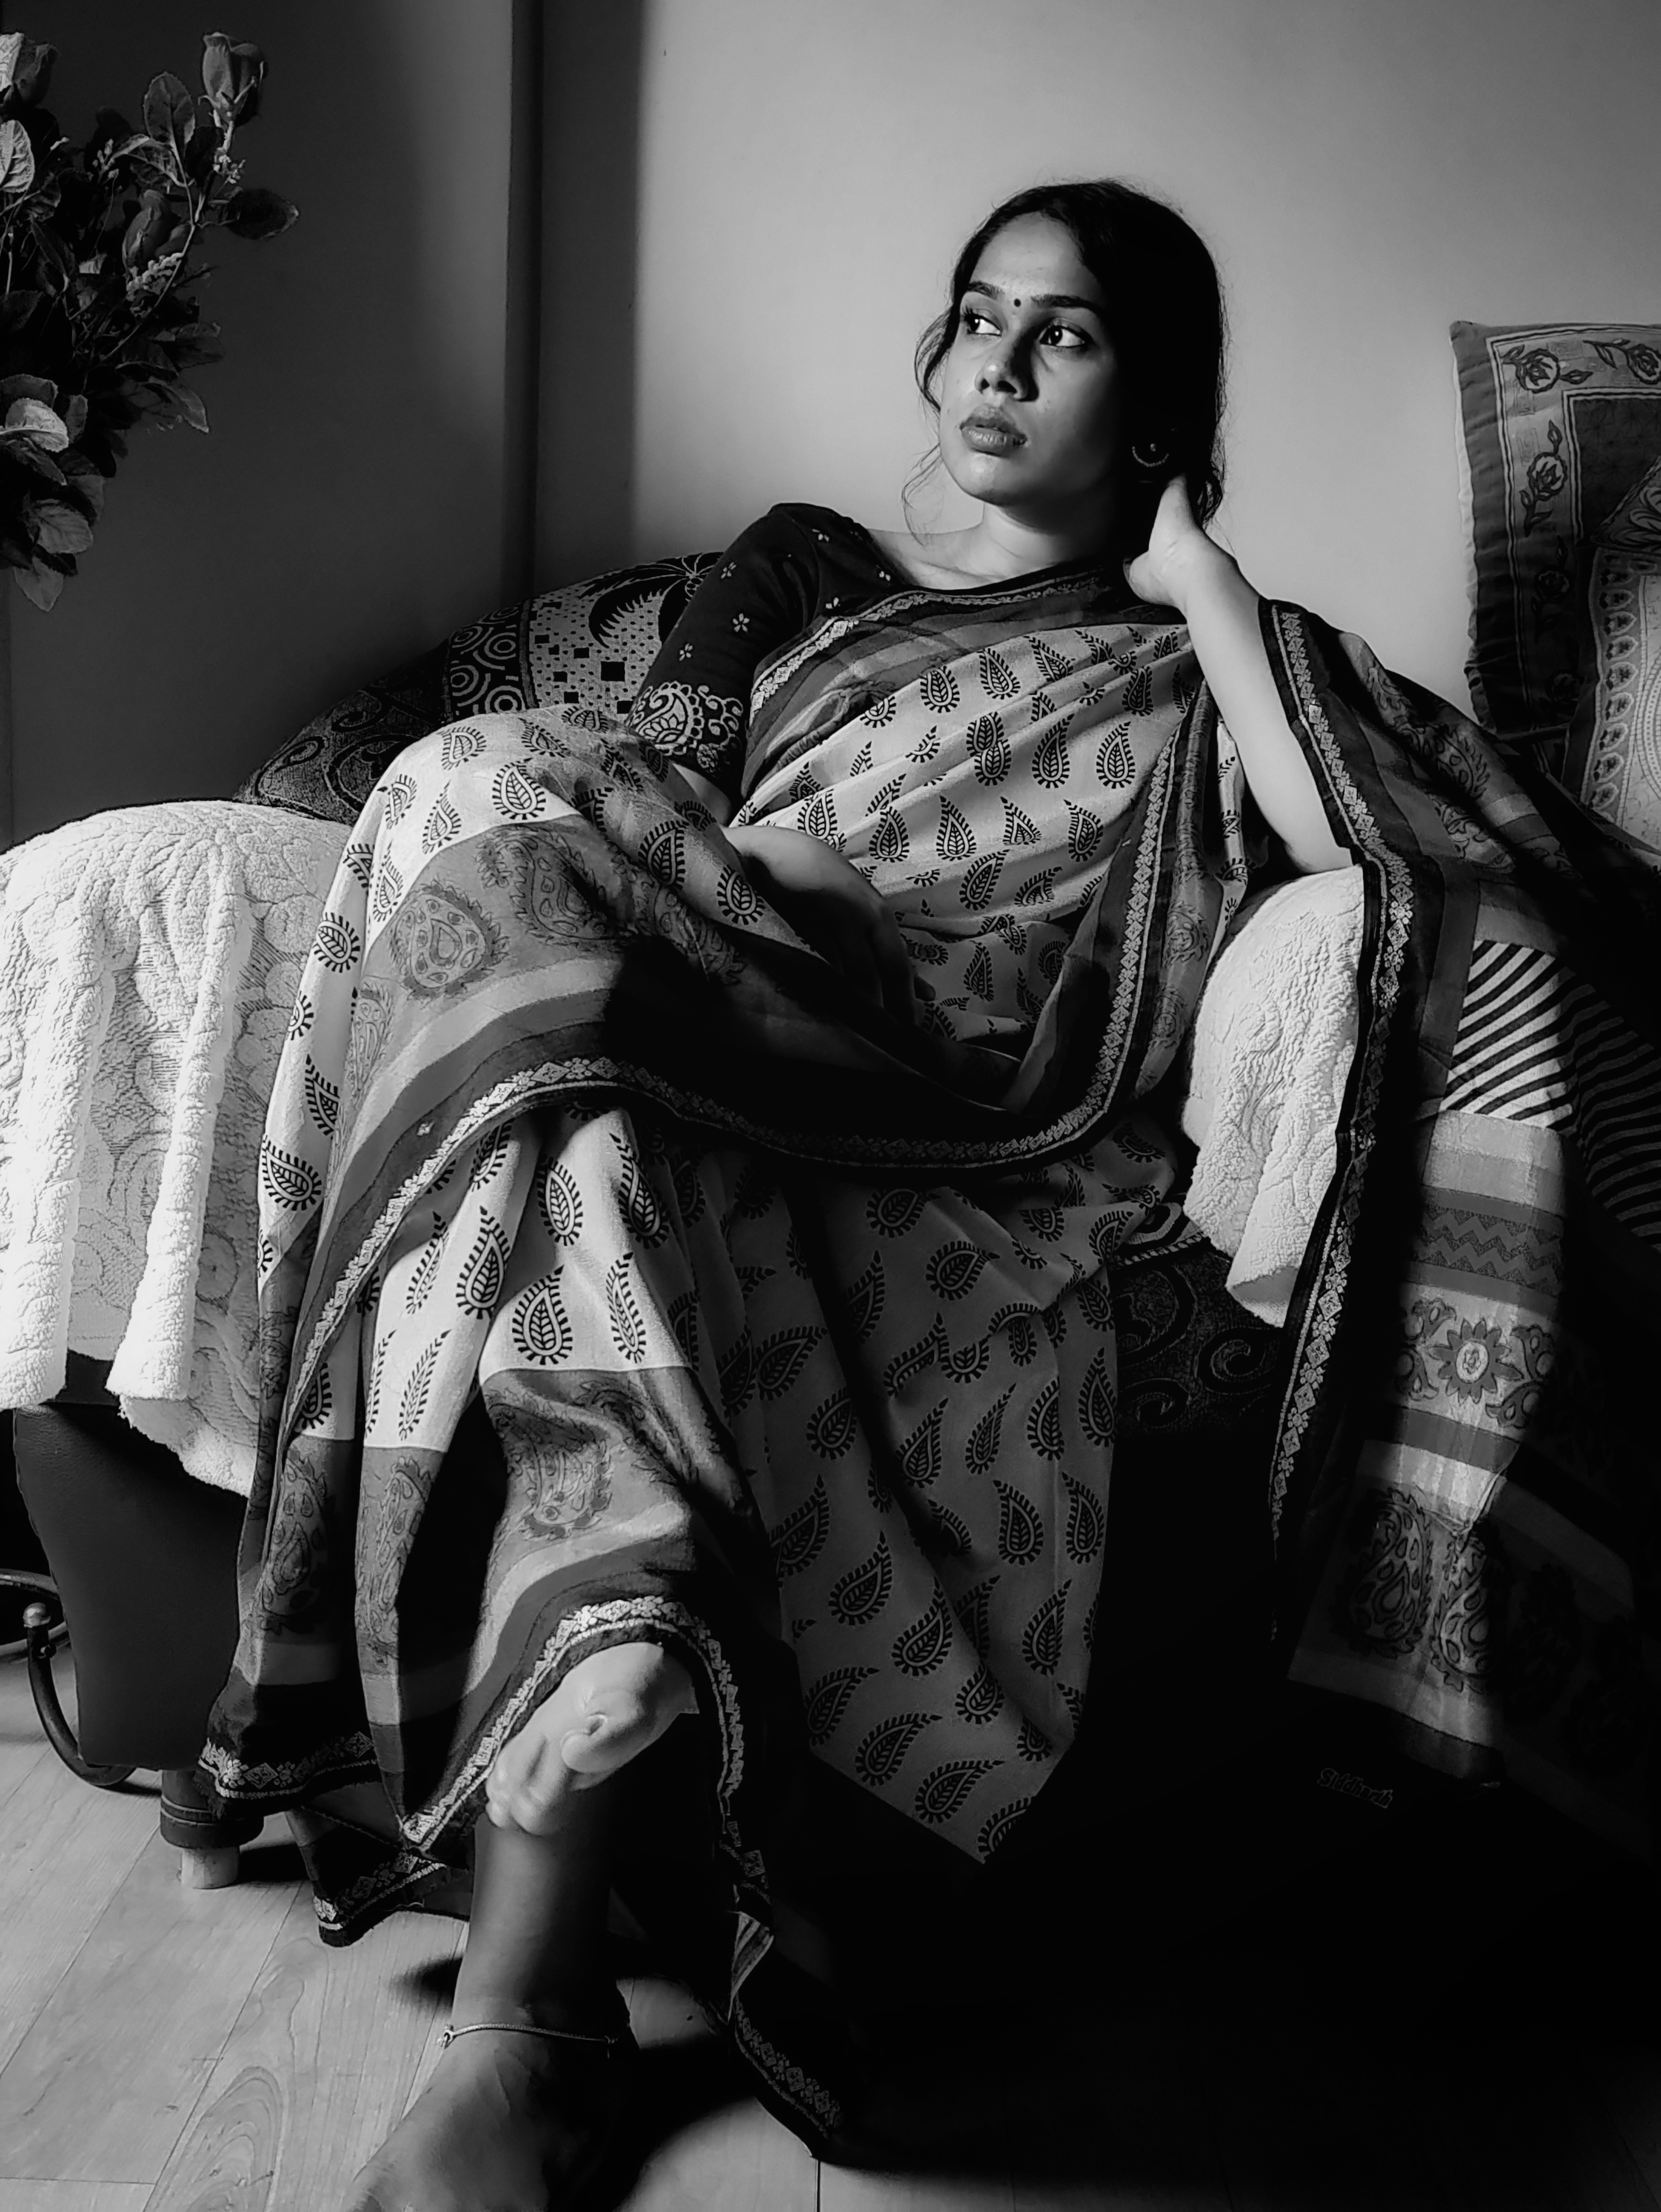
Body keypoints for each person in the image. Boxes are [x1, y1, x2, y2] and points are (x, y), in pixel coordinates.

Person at [200, 178, 1661, 2210]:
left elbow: (1384, 861)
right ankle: (584, 1776)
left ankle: (544, 1961)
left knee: (560, 1019)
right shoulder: (808, 577)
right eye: (979, 315)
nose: (996, 363)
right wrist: (759, 889)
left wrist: (1204, 589)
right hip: (721, 1006)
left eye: (1063, 335)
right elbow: (654, 804)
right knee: (515, 877)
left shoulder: (1213, 663)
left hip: (972, 1105)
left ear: (1156, 411)